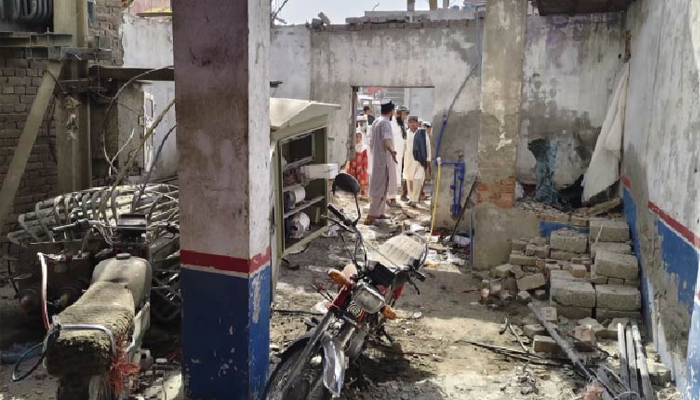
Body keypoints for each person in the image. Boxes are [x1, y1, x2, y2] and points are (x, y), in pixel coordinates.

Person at [367, 100, 398, 225]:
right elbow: (386, 140)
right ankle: (371, 215)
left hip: (377, 158)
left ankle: (380, 212)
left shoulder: (376, 121)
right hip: (383, 160)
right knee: (379, 187)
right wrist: (392, 152)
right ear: (391, 111)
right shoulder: (385, 123)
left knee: (383, 186)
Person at [404, 116, 431, 207]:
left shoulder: (422, 133)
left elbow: (427, 146)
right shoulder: (406, 133)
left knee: (418, 179)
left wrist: (428, 159)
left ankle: (415, 200)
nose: (412, 124)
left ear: (417, 123)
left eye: (414, 122)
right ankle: (411, 198)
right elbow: (404, 147)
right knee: (409, 180)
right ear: (408, 124)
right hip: (408, 160)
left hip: (420, 160)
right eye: (410, 122)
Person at [348, 130, 369, 196]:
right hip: (353, 166)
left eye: (360, 137)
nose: (358, 139)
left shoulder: (364, 147)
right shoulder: (352, 147)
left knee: (362, 179)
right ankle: (354, 192)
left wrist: (365, 166)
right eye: (357, 137)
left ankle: (362, 192)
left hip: (361, 167)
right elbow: (349, 156)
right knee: (353, 179)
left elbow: (365, 158)